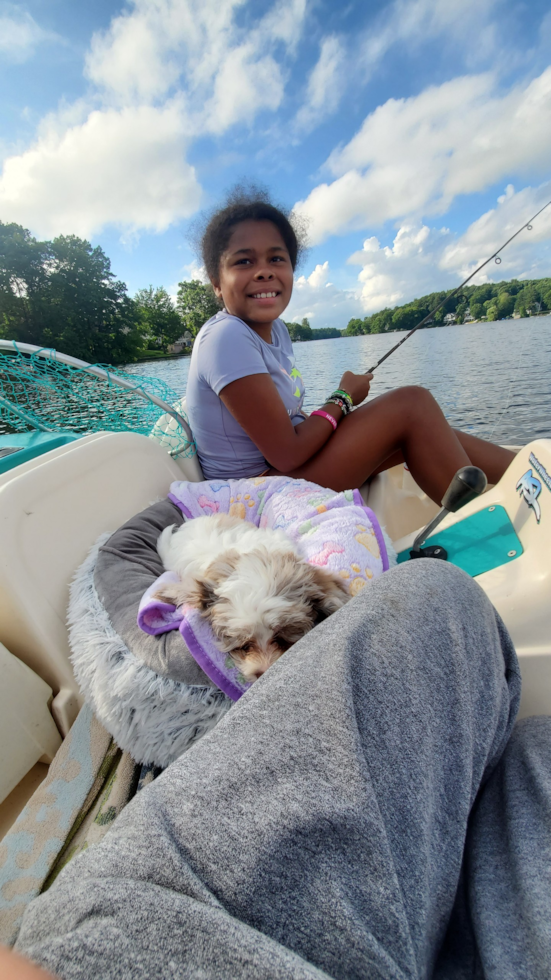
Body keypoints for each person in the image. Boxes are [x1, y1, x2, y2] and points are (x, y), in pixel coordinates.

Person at [6, 559, 551, 978]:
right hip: (145, 921)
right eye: (243, 648)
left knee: (536, 744)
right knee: (437, 589)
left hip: (101, 920)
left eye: (283, 642)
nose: (261, 669)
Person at [185, 187, 515, 505]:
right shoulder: (226, 337)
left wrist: (339, 412)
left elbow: (290, 426)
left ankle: (527, 471)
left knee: (424, 429)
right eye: (244, 262)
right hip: (251, 495)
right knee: (411, 404)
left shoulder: (277, 331)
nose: (263, 272)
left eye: (276, 258)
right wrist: (342, 399)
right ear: (216, 282)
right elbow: (287, 453)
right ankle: (488, 530)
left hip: (280, 475)